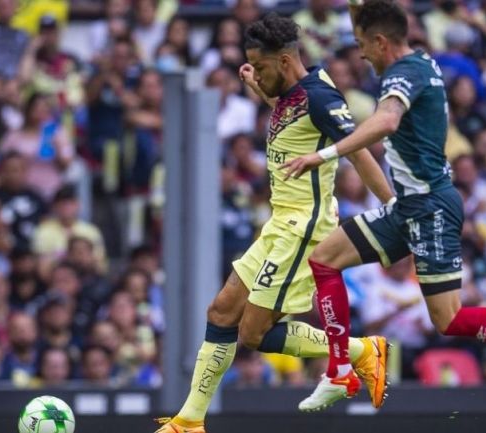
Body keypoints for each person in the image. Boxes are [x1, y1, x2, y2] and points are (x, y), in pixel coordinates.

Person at [281, 0, 486, 411]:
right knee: (324, 261)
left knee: (448, 320)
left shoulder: (404, 73)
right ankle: (340, 369)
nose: (359, 53)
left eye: (363, 44)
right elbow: (382, 50)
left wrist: (322, 156)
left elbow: (387, 121)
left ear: (381, 42)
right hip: (407, 206)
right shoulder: (418, 61)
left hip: (430, 206)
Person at [154, 13, 394, 433]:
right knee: (222, 310)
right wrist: (258, 88)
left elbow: (359, 152)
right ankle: (189, 422)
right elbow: (293, 123)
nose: (258, 75)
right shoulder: (291, 93)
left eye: (261, 68)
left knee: (253, 334)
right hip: (279, 224)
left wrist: (393, 205)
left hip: (303, 230)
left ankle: (360, 351)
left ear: (285, 62)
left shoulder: (321, 97)